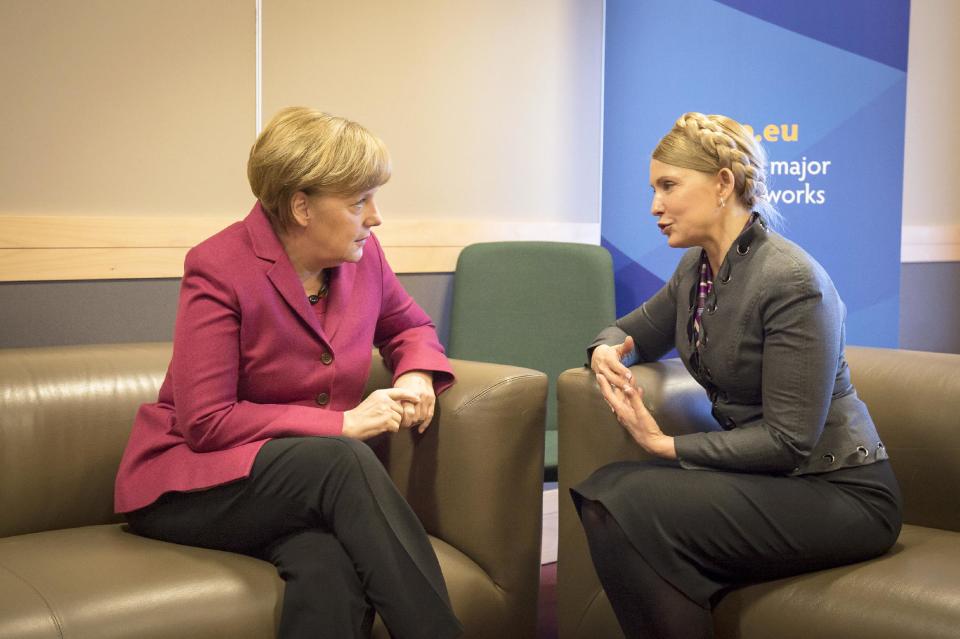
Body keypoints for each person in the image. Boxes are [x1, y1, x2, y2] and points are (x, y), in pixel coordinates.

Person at [114, 107, 462, 639]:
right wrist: (340, 425)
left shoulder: (362, 258)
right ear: (301, 206)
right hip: (194, 487)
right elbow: (205, 422)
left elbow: (409, 327)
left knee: (330, 565)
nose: (375, 217)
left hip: (290, 492)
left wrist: (415, 374)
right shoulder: (218, 266)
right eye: (357, 202)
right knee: (342, 461)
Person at [571, 112, 902, 639]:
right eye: (653, 188)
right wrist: (605, 353)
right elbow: (628, 332)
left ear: (723, 183)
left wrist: (664, 446)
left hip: (842, 492)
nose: (654, 205)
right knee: (604, 491)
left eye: (668, 186)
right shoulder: (697, 270)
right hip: (771, 484)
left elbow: (789, 442)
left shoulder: (793, 280)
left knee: (622, 502)